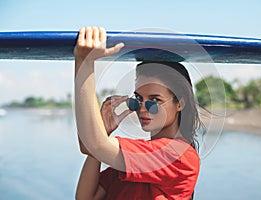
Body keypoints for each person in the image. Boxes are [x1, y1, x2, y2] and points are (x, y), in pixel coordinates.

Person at [74, 26, 203, 200]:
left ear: (179, 103)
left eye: (155, 100)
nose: (142, 108)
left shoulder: (178, 157)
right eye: (138, 99)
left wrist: (85, 63)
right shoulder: (135, 161)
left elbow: (94, 145)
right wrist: (102, 134)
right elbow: (85, 197)